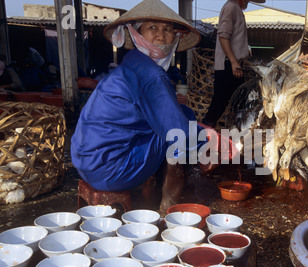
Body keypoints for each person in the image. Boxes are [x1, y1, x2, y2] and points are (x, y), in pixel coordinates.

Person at [71, 0, 237, 213]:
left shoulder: (132, 63)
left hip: (87, 162)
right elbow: (178, 133)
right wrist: (213, 142)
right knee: (177, 136)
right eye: (152, 28)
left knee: (182, 115)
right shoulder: (150, 75)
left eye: (167, 29)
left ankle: (150, 190)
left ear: (176, 37)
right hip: (110, 171)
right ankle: (171, 206)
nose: (161, 36)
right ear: (135, 33)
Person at [202, 0, 265, 128]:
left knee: (240, 104)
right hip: (228, 66)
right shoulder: (230, 7)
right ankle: (199, 138)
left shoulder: (236, 9)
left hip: (234, 66)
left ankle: (238, 137)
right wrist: (233, 61)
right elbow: (223, 36)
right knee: (218, 105)